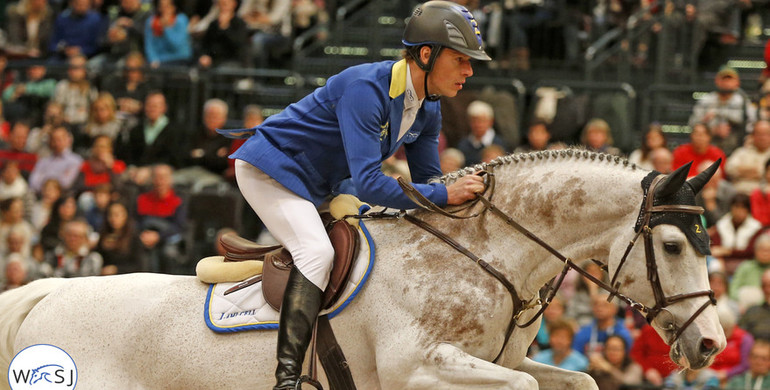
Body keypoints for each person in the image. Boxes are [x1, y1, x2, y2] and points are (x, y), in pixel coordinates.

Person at [228, 2, 490, 388]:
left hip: (319, 184)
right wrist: (444, 194)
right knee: (316, 253)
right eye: (460, 59)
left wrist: (460, 196)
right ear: (425, 54)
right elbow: (372, 182)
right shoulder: (366, 88)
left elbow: (430, 182)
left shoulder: (428, 108)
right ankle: (287, 379)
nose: (469, 71)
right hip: (271, 170)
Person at [134, 164, 186, 273]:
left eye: (164, 177)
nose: (160, 181)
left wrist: (158, 236)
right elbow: (135, 222)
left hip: (167, 240)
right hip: (144, 238)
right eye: (156, 177)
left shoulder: (178, 201)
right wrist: (142, 235)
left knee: (169, 253)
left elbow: (179, 227)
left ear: (170, 180)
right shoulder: (142, 199)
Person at [689, 65, 757, 140]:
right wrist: (707, 125)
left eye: (730, 79)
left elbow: (752, 123)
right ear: (717, 81)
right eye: (723, 79)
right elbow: (692, 123)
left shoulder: (743, 101)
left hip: (737, 141)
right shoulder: (706, 100)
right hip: (710, 142)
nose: (726, 83)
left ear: (737, 82)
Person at [710, 193, 764, 274]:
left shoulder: (756, 227)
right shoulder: (722, 224)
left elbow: (750, 252)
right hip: (723, 262)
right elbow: (715, 248)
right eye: (736, 207)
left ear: (748, 210)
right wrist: (720, 258)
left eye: (742, 208)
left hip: (747, 263)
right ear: (731, 208)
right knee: (714, 265)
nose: (739, 211)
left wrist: (727, 251)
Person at [572, 293, 633, 357]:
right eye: (596, 305)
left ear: (615, 309)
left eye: (605, 305)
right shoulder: (584, 332)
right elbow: (576, 356)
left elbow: (627, 359)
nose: (599, 308)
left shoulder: (623, 333)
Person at [28, 126, 84, 194]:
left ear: (68, 140)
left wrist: (46, 180)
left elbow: (66, 183)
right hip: (42, 194)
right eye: (54, 140)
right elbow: (33, 182)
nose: (56, 143)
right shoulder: (43, 160)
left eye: (59, 139)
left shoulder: (75, 160)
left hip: (63, 196)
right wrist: (47, 188)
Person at [710, 303, 753, 384]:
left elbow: (746, 365)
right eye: (720, 329)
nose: (723, 334)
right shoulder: (710, 337)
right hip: (709, 376)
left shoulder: (745, 338)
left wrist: (727, 374)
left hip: (736, 377)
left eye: (726, 329)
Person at [456, 100, 508, 166]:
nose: (478, 125)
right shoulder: (463, 145)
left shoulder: (501, 143)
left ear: (491, 121)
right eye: (474, 121)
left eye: (482, 121)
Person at [97, 201, 143, 275]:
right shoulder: (104, 235)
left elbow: (139, 266)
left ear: (125, 215)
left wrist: (116, 269)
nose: (113, 218)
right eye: (110, 215)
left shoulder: (133, 237)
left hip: (127, 279)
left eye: (117, 215)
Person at [726, 120, 770, 195]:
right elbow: (729, 169)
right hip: (741, 196)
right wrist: (758, 172)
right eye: (759, 134)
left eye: (766, 134)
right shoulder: (742, 152)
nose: (762, 138)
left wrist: (742, 172)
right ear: (752, 136)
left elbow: (760, 172)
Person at [144, 0, 193, 67]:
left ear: (174, 7)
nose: (165, 9)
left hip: (180, 58)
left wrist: (167, 28)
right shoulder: (151, 21)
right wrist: (153, 59)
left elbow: (178, 46)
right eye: (162, 6)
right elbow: (149, 44)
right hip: (160, 60)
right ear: (158, 8)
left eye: (168, 6)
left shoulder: (181, 20)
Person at [731, 235, 770, 305]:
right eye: (762, 250)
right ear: (755, 251)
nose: (765, 253)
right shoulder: (745, 267)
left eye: (768, 250)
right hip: (745, 305)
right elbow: (733, 290)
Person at [740, 269, 770, 340]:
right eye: (765, 286)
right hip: (755, 349)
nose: (768, 290)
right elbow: (741, 336)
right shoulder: (751, 311)